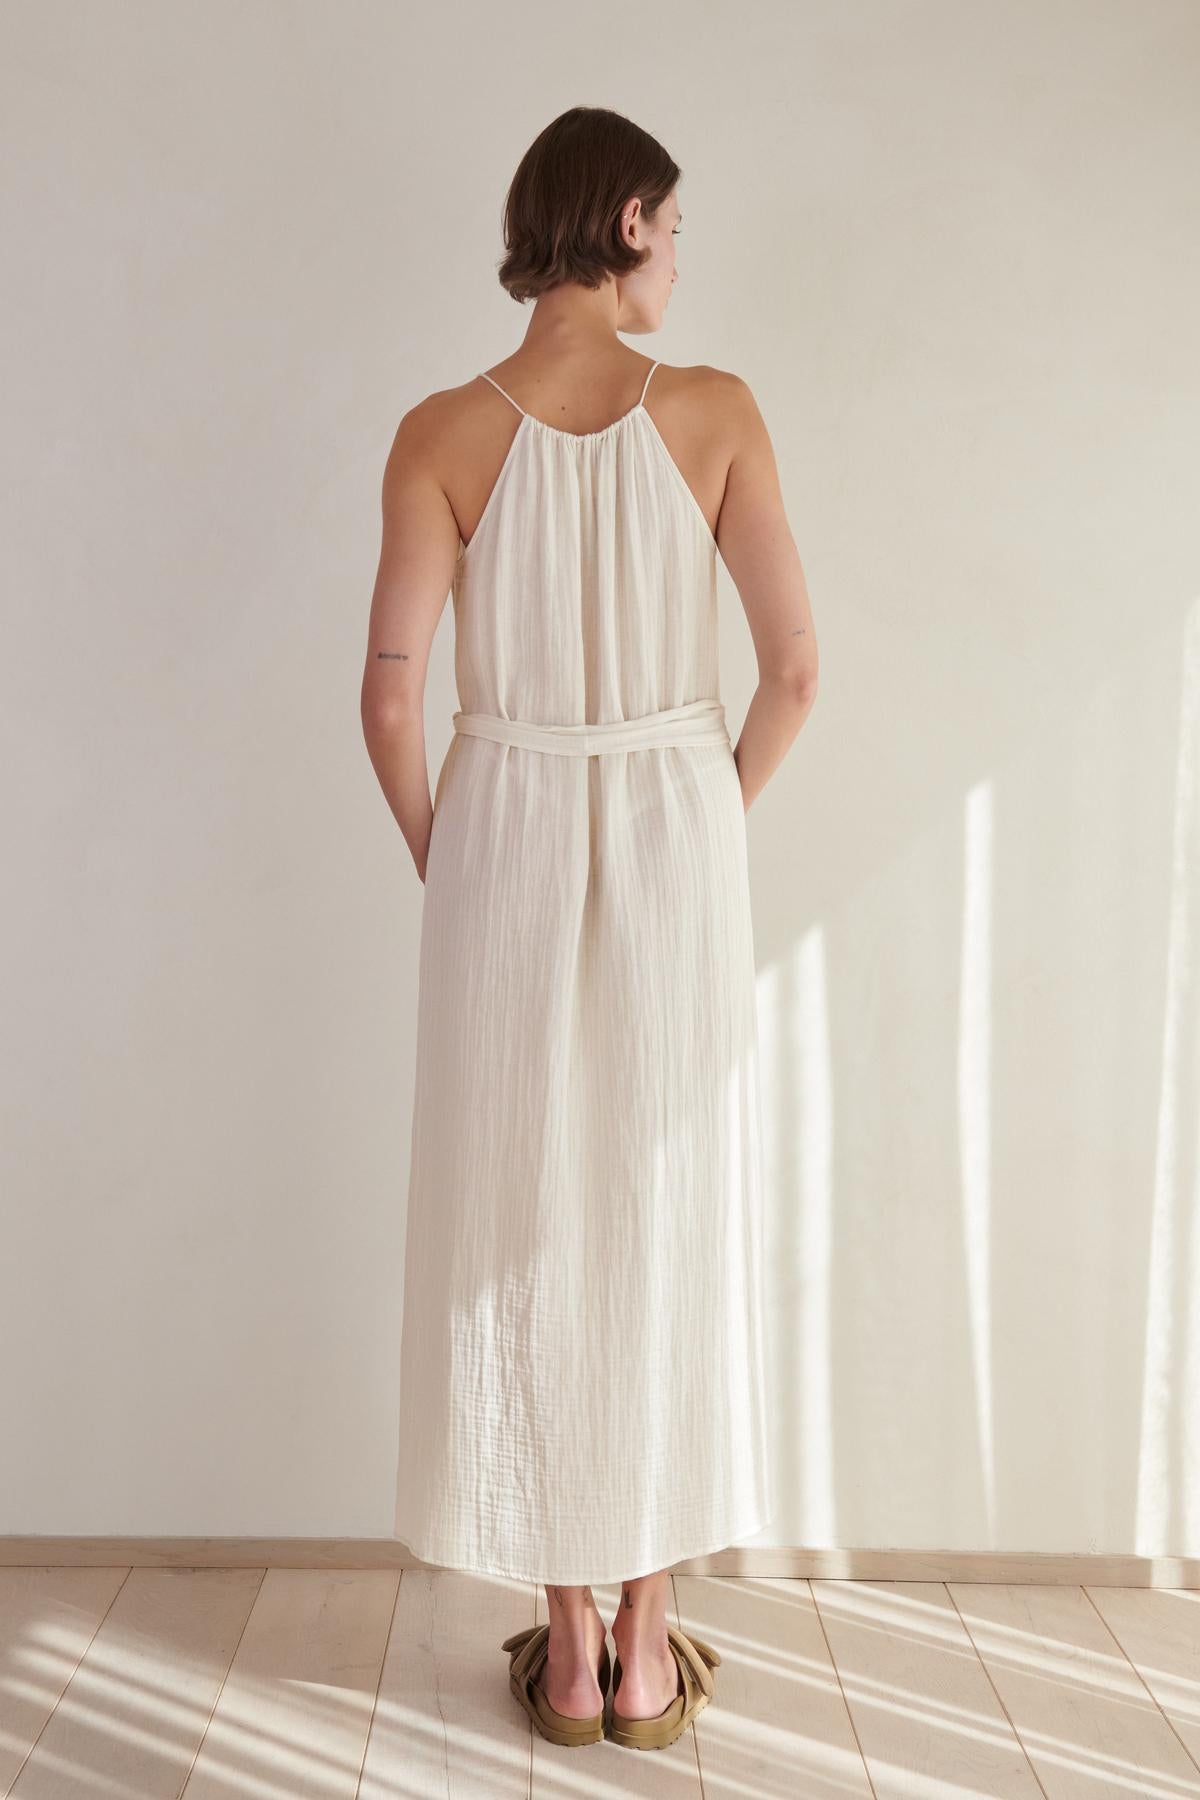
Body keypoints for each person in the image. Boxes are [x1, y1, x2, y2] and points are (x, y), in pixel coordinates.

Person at [361, 104, 817, 1752]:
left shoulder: (437, 431)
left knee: (522, 1218)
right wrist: (699, 821)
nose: (681, 257)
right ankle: (647, 1642)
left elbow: (393, 697)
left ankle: (559, 1643)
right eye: (676, 227)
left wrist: (453, 858)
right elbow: (795, 670)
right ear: (626, 218)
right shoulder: (715, 415)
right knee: (662, 1209)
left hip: (508, 840)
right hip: (673, 838)